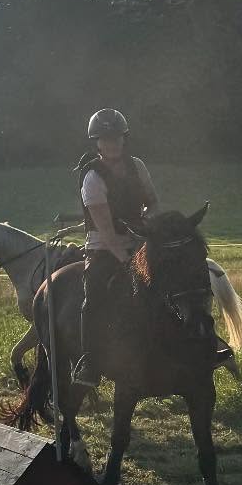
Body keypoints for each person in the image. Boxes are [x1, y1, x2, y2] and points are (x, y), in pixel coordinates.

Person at [72, 108, 156, 384]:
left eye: (116, 138)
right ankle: (90, 361)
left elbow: (153, 201)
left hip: (140, 240)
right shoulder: (92, 178)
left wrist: (147, 224)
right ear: (96, 142)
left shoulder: (137, 166)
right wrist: (127, 261)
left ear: (124, 138)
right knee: (94, 296)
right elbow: (106, 231)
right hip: (104, 249)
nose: (112, 143)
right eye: (105, 139)